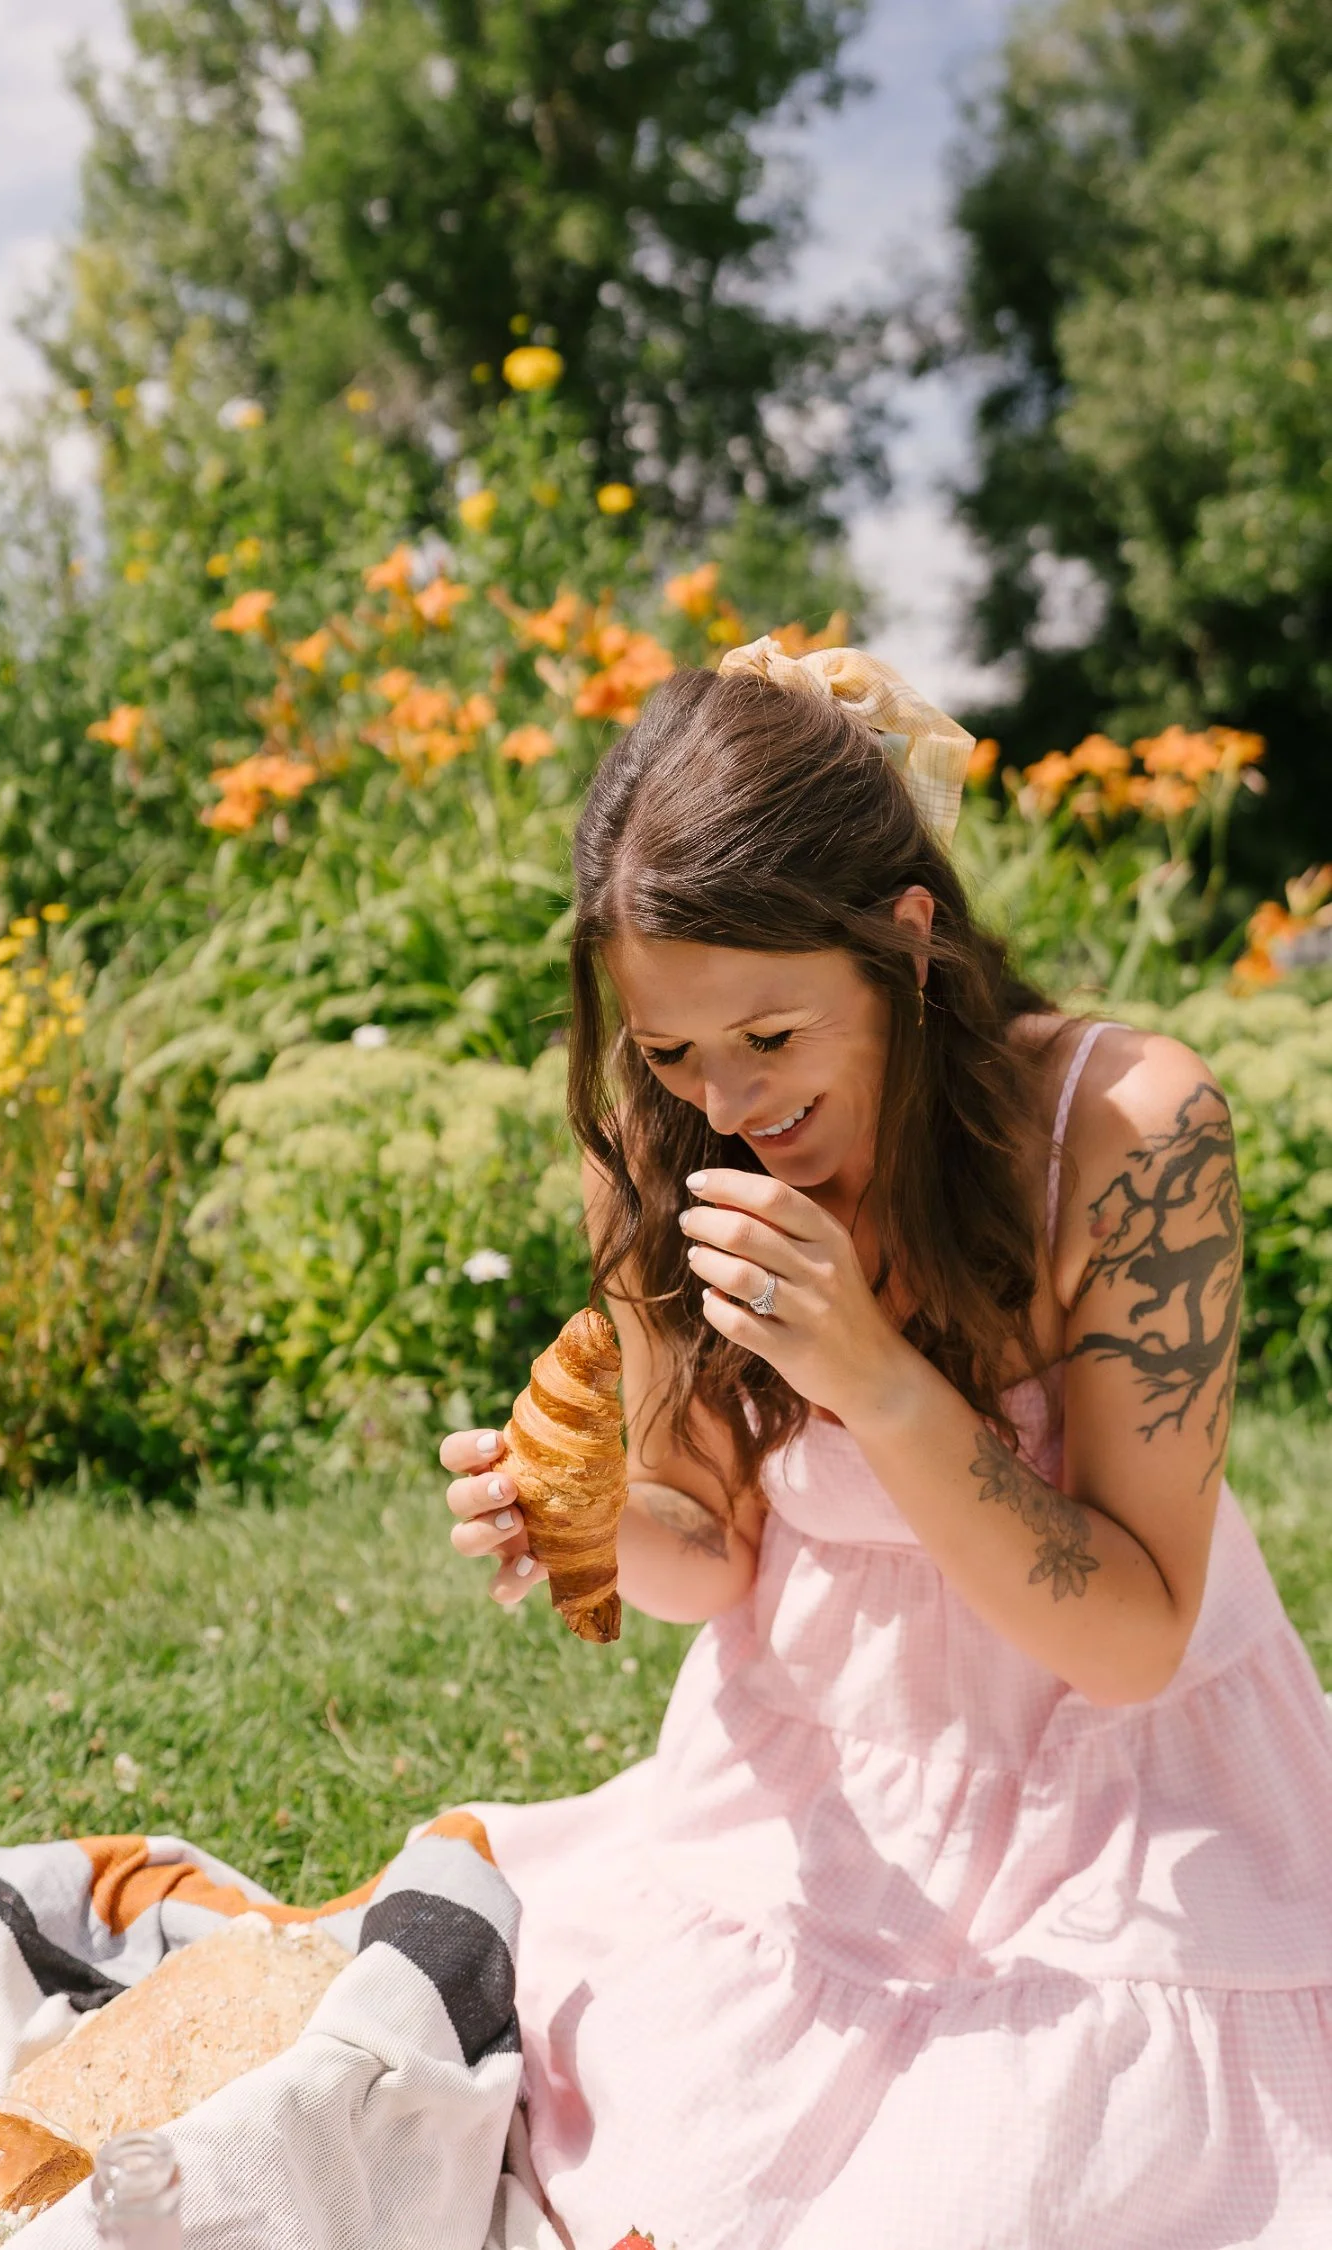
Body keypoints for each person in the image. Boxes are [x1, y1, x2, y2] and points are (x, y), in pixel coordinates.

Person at [438, 643, 1332, 2250]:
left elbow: (1134, 1633)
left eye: (772, 1037)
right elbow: (707, 1543)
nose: (727, 1103)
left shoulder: (1129, 1132)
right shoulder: (665, 1144)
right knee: (676, 2182)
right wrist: (578, 1515)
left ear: (906, 943)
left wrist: (881, 1379)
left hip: (1122, 1814)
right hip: (819, 1792)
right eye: (671, 1048)